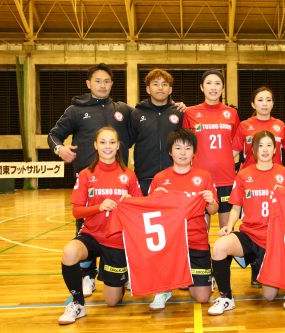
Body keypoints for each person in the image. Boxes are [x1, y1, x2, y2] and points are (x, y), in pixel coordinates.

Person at [47, 63, 134, 297]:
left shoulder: (123, 110)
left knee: (123, 227)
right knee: (86, 228)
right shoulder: (76, 110)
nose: (102, 85)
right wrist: (59, 150)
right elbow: (53, 135)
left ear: (112, 84)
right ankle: (87, 276)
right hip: (89, 181)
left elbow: (146, 126)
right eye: (97, 81)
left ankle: (123, 272)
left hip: (119, 181)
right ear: (88, 84)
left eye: (106, 81)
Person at [58, 127, 142, 325]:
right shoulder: (86, 175)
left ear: (118, 145)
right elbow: (76, 211)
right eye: (103, 142)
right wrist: (98, 207)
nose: (107, 146)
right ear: (95, 145)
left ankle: (123, 276)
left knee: (112, 302)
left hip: (117, 240)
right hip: (92, 235)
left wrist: (131, 201)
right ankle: (78, 304)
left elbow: (140, 211)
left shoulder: (128, 175)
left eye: (112, 142)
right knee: (70, 252)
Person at [207, 131, 285, 315]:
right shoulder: (244, 175)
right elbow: (236, 207)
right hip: (250, 235)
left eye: (269, 145)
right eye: (260, 146)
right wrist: (229, 226)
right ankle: (226, 297)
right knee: (220, 247)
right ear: (254, 150)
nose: (264, 149)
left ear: (275, 150)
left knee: (270, 296)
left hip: (274, 237)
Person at [148, 128, 219, 310]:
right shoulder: (160, 178)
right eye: (178, 148)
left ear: (194, 153)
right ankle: (164, 288)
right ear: (170, 151)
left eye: (188, 148)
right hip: (169, 244)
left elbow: (213, 210)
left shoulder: (204, 177)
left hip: (196, 241)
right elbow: (148, 213)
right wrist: (154, 198)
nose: (183, 153)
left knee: (202, 298)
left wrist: (211, 201)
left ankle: (197, 277)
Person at [182, 70, 240, 228]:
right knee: (201, 231)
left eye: (217, 83)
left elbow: (236, 144)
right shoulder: (190, 113)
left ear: (223, 88)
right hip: (200, 180)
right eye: (209, 83)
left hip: (226, 179)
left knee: (226, 230)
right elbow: (185, 146)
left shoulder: (231, 113)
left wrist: (222, 159)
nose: (213, 87)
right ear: (201, 87)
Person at [131, 68, 184, 195]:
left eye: (164, 84)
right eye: (155, 84)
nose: (160, 88)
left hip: (174, 176)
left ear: (170, 89)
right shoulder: (136, 113)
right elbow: (126, 140)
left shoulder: (179, 113)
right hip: (144, 178)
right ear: (148, 89)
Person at [233, 86, 285, 169]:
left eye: (268, 100)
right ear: (253, 104)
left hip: (275, 175)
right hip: (250, 176)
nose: (265, 104)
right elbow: (233, 153)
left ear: (273, 103)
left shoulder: (280, 125)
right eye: (260, 100)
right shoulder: (244, 125)